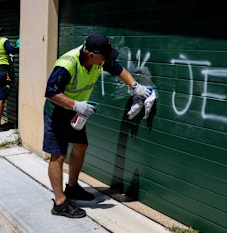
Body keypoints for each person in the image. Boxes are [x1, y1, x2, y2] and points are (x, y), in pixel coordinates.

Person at [43, 34, 152, 218]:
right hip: (57, 112)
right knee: (58, 156)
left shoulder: (99, 60)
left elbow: (118, 70)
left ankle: (72, 188)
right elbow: (50, 92)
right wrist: (77, 105)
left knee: (80, 146)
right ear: (92, 54)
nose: (107, 59)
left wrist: (135, 86)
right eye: (104, 55)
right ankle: (60, 203)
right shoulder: (67, 65)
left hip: (77, 112)